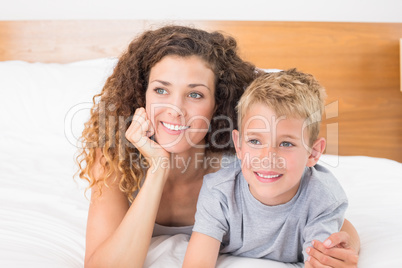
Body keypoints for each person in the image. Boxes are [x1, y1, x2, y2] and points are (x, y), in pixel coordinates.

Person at [76, 25, 359, 268]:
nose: (175, 109)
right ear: (142, 93)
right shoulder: (116, 158)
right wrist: (158, 168)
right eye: (161, 90)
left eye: (195, 94)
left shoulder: (243, 160)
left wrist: (344, 247)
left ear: (218, 103)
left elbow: (320, 213)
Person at [183, 69, 355, 267]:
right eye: (255, 141)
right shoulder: (219, 192)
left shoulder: (322, 199)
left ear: (313, 153)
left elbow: (319, 262)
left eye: (286, 144)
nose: (268, 158)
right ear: (238, 145)